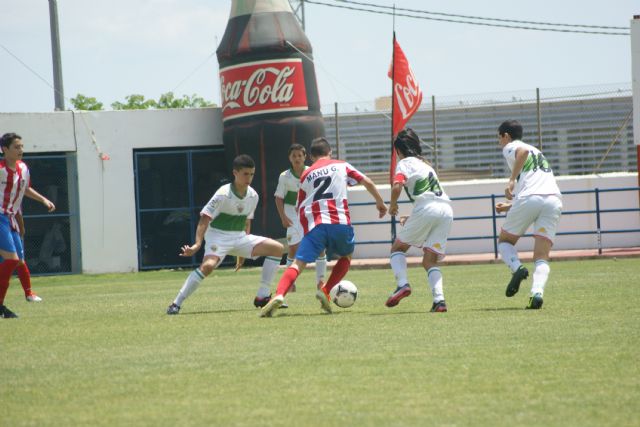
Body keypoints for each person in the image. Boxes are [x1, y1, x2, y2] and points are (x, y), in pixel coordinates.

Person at [260, 137, 387, 317]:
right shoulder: (342, 165)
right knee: (346, 256)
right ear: (330, 153)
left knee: (298, 263)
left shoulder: (306, 174)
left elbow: (299, 207)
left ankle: (280, 294)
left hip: (316, 226)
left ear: (311, 157)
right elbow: (367, 181)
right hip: (340, 223)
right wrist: (380, 203)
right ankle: (325, 290)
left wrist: (307, 231)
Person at [166, 154, 284, 315]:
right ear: (235, 173)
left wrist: (242, 254)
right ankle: (176, 303)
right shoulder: (223, 193)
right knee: (207, 267)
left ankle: (262, 297)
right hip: (218, 237)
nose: (248, 178)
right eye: (245, 174)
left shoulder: (253, 196)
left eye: (251, 174)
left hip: (239, 237)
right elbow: (204, 219)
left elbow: (247, 221)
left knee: (277, 248)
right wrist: (197, 244)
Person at [495, 120, 563, 309]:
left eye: (499, 138)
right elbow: (537, 190)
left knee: (505, 241)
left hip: (529, 199)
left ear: (506, 136)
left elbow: (522, 153)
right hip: (553, 200)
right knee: (541, 256)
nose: (499, 142)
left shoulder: (513, 146)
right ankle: (536, 294)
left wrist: (510, 181)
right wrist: (510, 206)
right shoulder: (537, 151)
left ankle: (517, 268)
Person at [385, 129, 453, 313]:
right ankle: (439, 301)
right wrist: (414, 215)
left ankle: (402, 284)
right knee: (430, 261)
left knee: (397, 249)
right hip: (445, 210)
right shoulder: (426, 165)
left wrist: (392, 205)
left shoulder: (404, 164)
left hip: (427, 209)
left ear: (398, 151)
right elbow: (428, 194)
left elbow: (397, 185)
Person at [0, 133, 56, 319]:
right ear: (4, 149)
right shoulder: (0, 169)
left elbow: (25, 190)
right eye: (16, 147)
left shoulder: (23, 168)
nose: (21, 150)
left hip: (10, 220)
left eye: (22, 146)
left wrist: (43, 200)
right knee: (12, 260)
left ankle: (11, 301)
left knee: (15, 261)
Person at [273, 144, 327, 294]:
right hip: (292, 217)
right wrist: (283, 217)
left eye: (299, 155)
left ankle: (320, 281)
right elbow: (278, 198)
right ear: (289, 158)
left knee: (320, 247)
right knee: (293, 249)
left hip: (309, 215)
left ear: (305, 157)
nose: (297, 158)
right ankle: (291, 283)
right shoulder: (285, 177)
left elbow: (317, 195)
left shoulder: (311, 173)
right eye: (294, 156)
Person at [15, 211, 42, 302]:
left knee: (20, 261)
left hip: (11, 229)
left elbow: (17, 212)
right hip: (6, 229)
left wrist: (21, 228)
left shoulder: (13, 197)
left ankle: (29, 293)